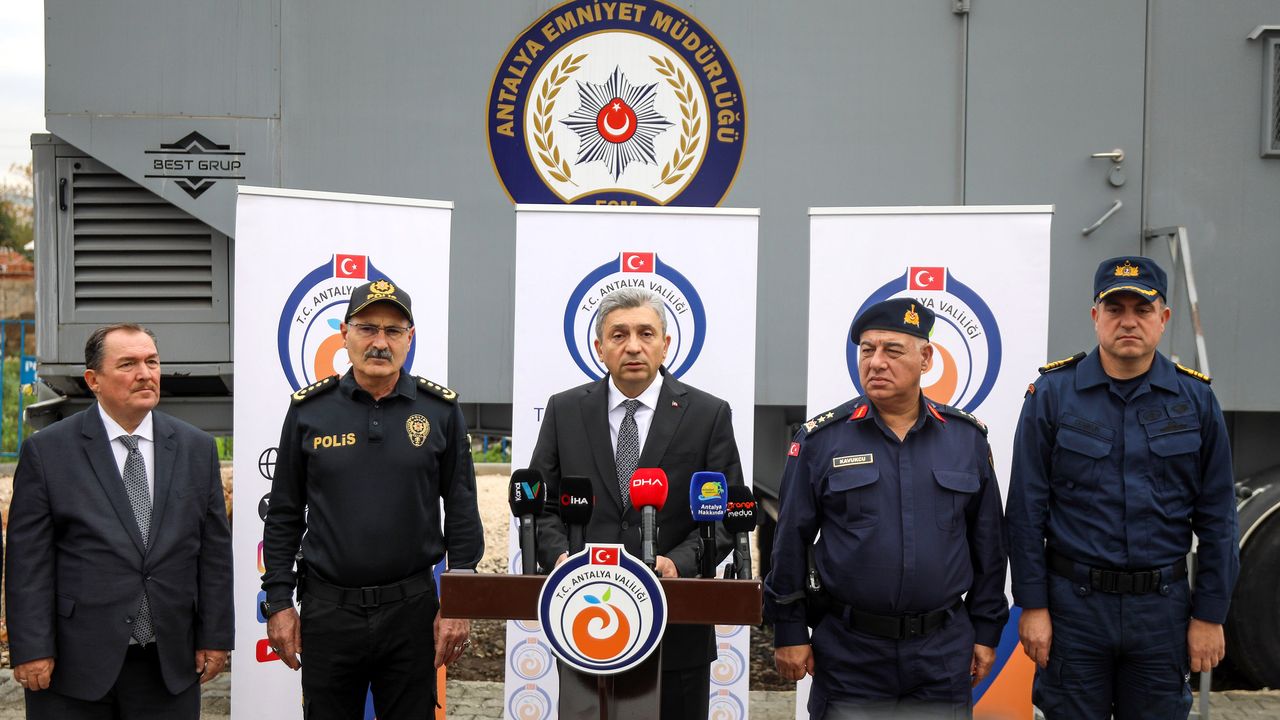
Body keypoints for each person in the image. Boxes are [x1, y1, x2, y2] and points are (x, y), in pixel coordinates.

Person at [1006, 256, 1238, 719]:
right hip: (1074, 612)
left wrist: (1210, 615)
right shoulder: (1052, 395)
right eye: (1115, 309)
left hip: (1161, 614)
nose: (1128, 321)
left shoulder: (1196, 400)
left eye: (1142, 309)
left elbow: (1218, 518)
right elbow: (1026, 512)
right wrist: (1032, 607)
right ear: (1096, 316)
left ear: (1163, 318)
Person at [765, 298, 1008, 719]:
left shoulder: (965, 439)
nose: (876, 362)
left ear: (926, 358)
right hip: (850, 653)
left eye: (892, 350)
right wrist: (789, 629)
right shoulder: (822, 440)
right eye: (867, 350)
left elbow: (989, 544)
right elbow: (789, 541)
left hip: (941, 652)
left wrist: (986, 630)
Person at [260, 279, 484, 719]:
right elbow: (284, 514)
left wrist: (458, 605)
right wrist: (280, 602)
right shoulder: (309, 411)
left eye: (393, 331)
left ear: (409, 339)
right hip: (328, 611)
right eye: (367, 329)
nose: (380, 342)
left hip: (412, 613)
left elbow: (461, 511)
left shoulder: (440, 411)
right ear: (344, 334)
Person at [530, 287, 745, 720]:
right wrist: (561, 557)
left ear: (665, 344)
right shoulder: (564, 410)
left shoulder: (707, 414)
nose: (632, 346)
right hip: (584, 623)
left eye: (646, 333)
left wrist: (677, 563)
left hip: (676, 632)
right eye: (619, 334)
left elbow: (726, 515)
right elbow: (541, 506)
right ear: (599, 347)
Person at [5, 324, 234, 719]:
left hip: (168, 666)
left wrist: (215, 636)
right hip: (72, 667)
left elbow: (213, 554)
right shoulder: (48, 452)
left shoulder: (196, 448)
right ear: (93, 380)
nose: (145, 374)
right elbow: (28, 562)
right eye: (128, 364)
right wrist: (31, 648)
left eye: (152, 362)